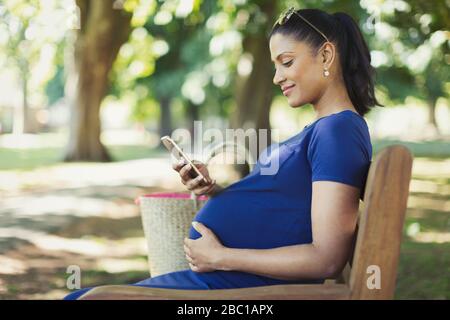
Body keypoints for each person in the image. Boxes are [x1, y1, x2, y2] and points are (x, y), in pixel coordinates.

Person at [63, 7, 382, 300]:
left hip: (234, 291)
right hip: (221, 283)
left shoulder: (337, 132)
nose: (277, 77)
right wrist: (214, 190)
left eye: (287, 62)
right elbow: (285, 208)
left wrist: (221, 257)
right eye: (275, 66)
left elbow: (326, 259)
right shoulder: (326, 131)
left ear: (326, 55)